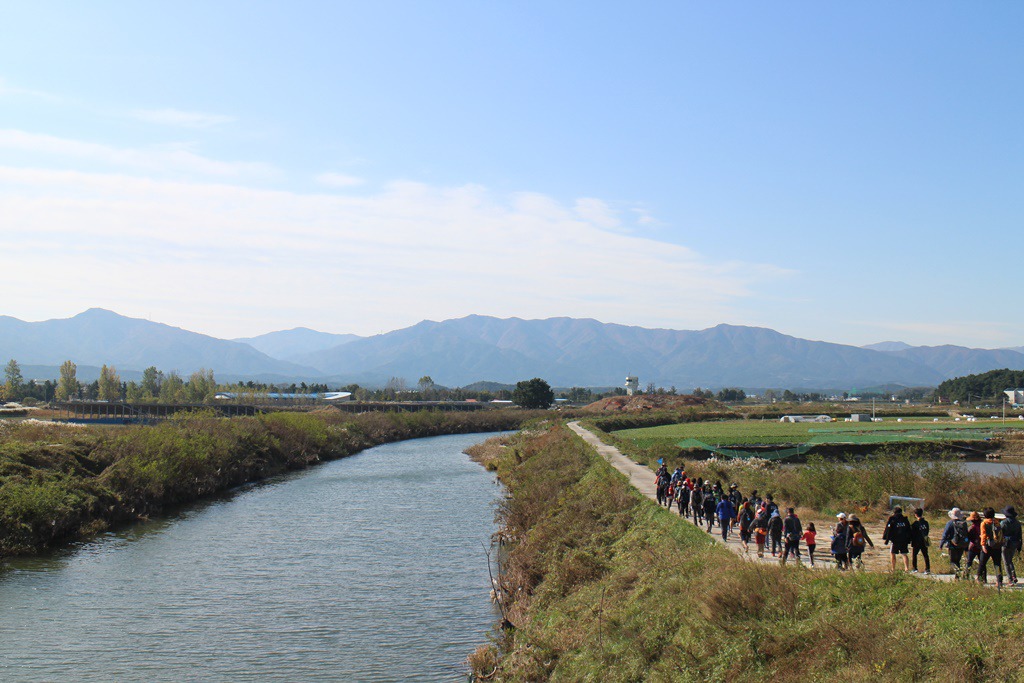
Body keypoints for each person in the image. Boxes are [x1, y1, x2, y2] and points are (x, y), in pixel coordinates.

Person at [939, 507, 969, 578]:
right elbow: (966, 535)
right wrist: (966, 546)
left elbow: (945, 534)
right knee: (958, 560)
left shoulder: (950, 523)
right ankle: (958, 575)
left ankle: (957, 574)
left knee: (953, 561)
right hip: (962, 545)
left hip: (952, 544)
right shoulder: (963, 524)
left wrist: (941, 544)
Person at [978, 507, 1004, 587]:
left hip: (988, 545)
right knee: (997, 564)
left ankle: (980, 579)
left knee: (982, 563)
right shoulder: (997, 522)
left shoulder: (984, 523)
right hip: (997, 546)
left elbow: (983, 535)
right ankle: (999, 581)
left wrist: (983, 545)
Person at [883, 506, 913, 572]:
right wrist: (909, 539)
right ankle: (906, 568)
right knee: (904, 554)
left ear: (894, 512)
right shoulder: (905, 519)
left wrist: (886, 538)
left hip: (895, 540)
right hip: (904, 540)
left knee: (892, 553)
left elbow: (888, 529)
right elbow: (909, 530)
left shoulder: (892, 519)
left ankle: (893, 568)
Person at [1001, 506, 1022, 586]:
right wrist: (1019, 546)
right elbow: (1020, 535)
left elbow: (1000, 534)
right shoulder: (1017, 523)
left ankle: (1010, 579)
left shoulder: (1004, 523)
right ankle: (1014, 576)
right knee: (1010, 560)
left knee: (1006, 562)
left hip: (1005, 544)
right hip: (1014, 543)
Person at [910, 508, 931, 575]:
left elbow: (912, 533)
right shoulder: (926, 523)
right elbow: (927, 531)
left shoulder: (915, 524)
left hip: (917, 541)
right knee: (925, 555)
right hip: (924, 540)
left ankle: (915, 568)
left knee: (914, 555)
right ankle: (927, 569)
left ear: (916, 515)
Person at [964, 511, 983, 580]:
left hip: (973, 546)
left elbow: (967, 538)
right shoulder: (982, 525)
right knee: (982, 563)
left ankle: (966, 576)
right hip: (981, 547)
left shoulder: (972, 527)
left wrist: (965, 545)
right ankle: (982, 577)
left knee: (969, 562)